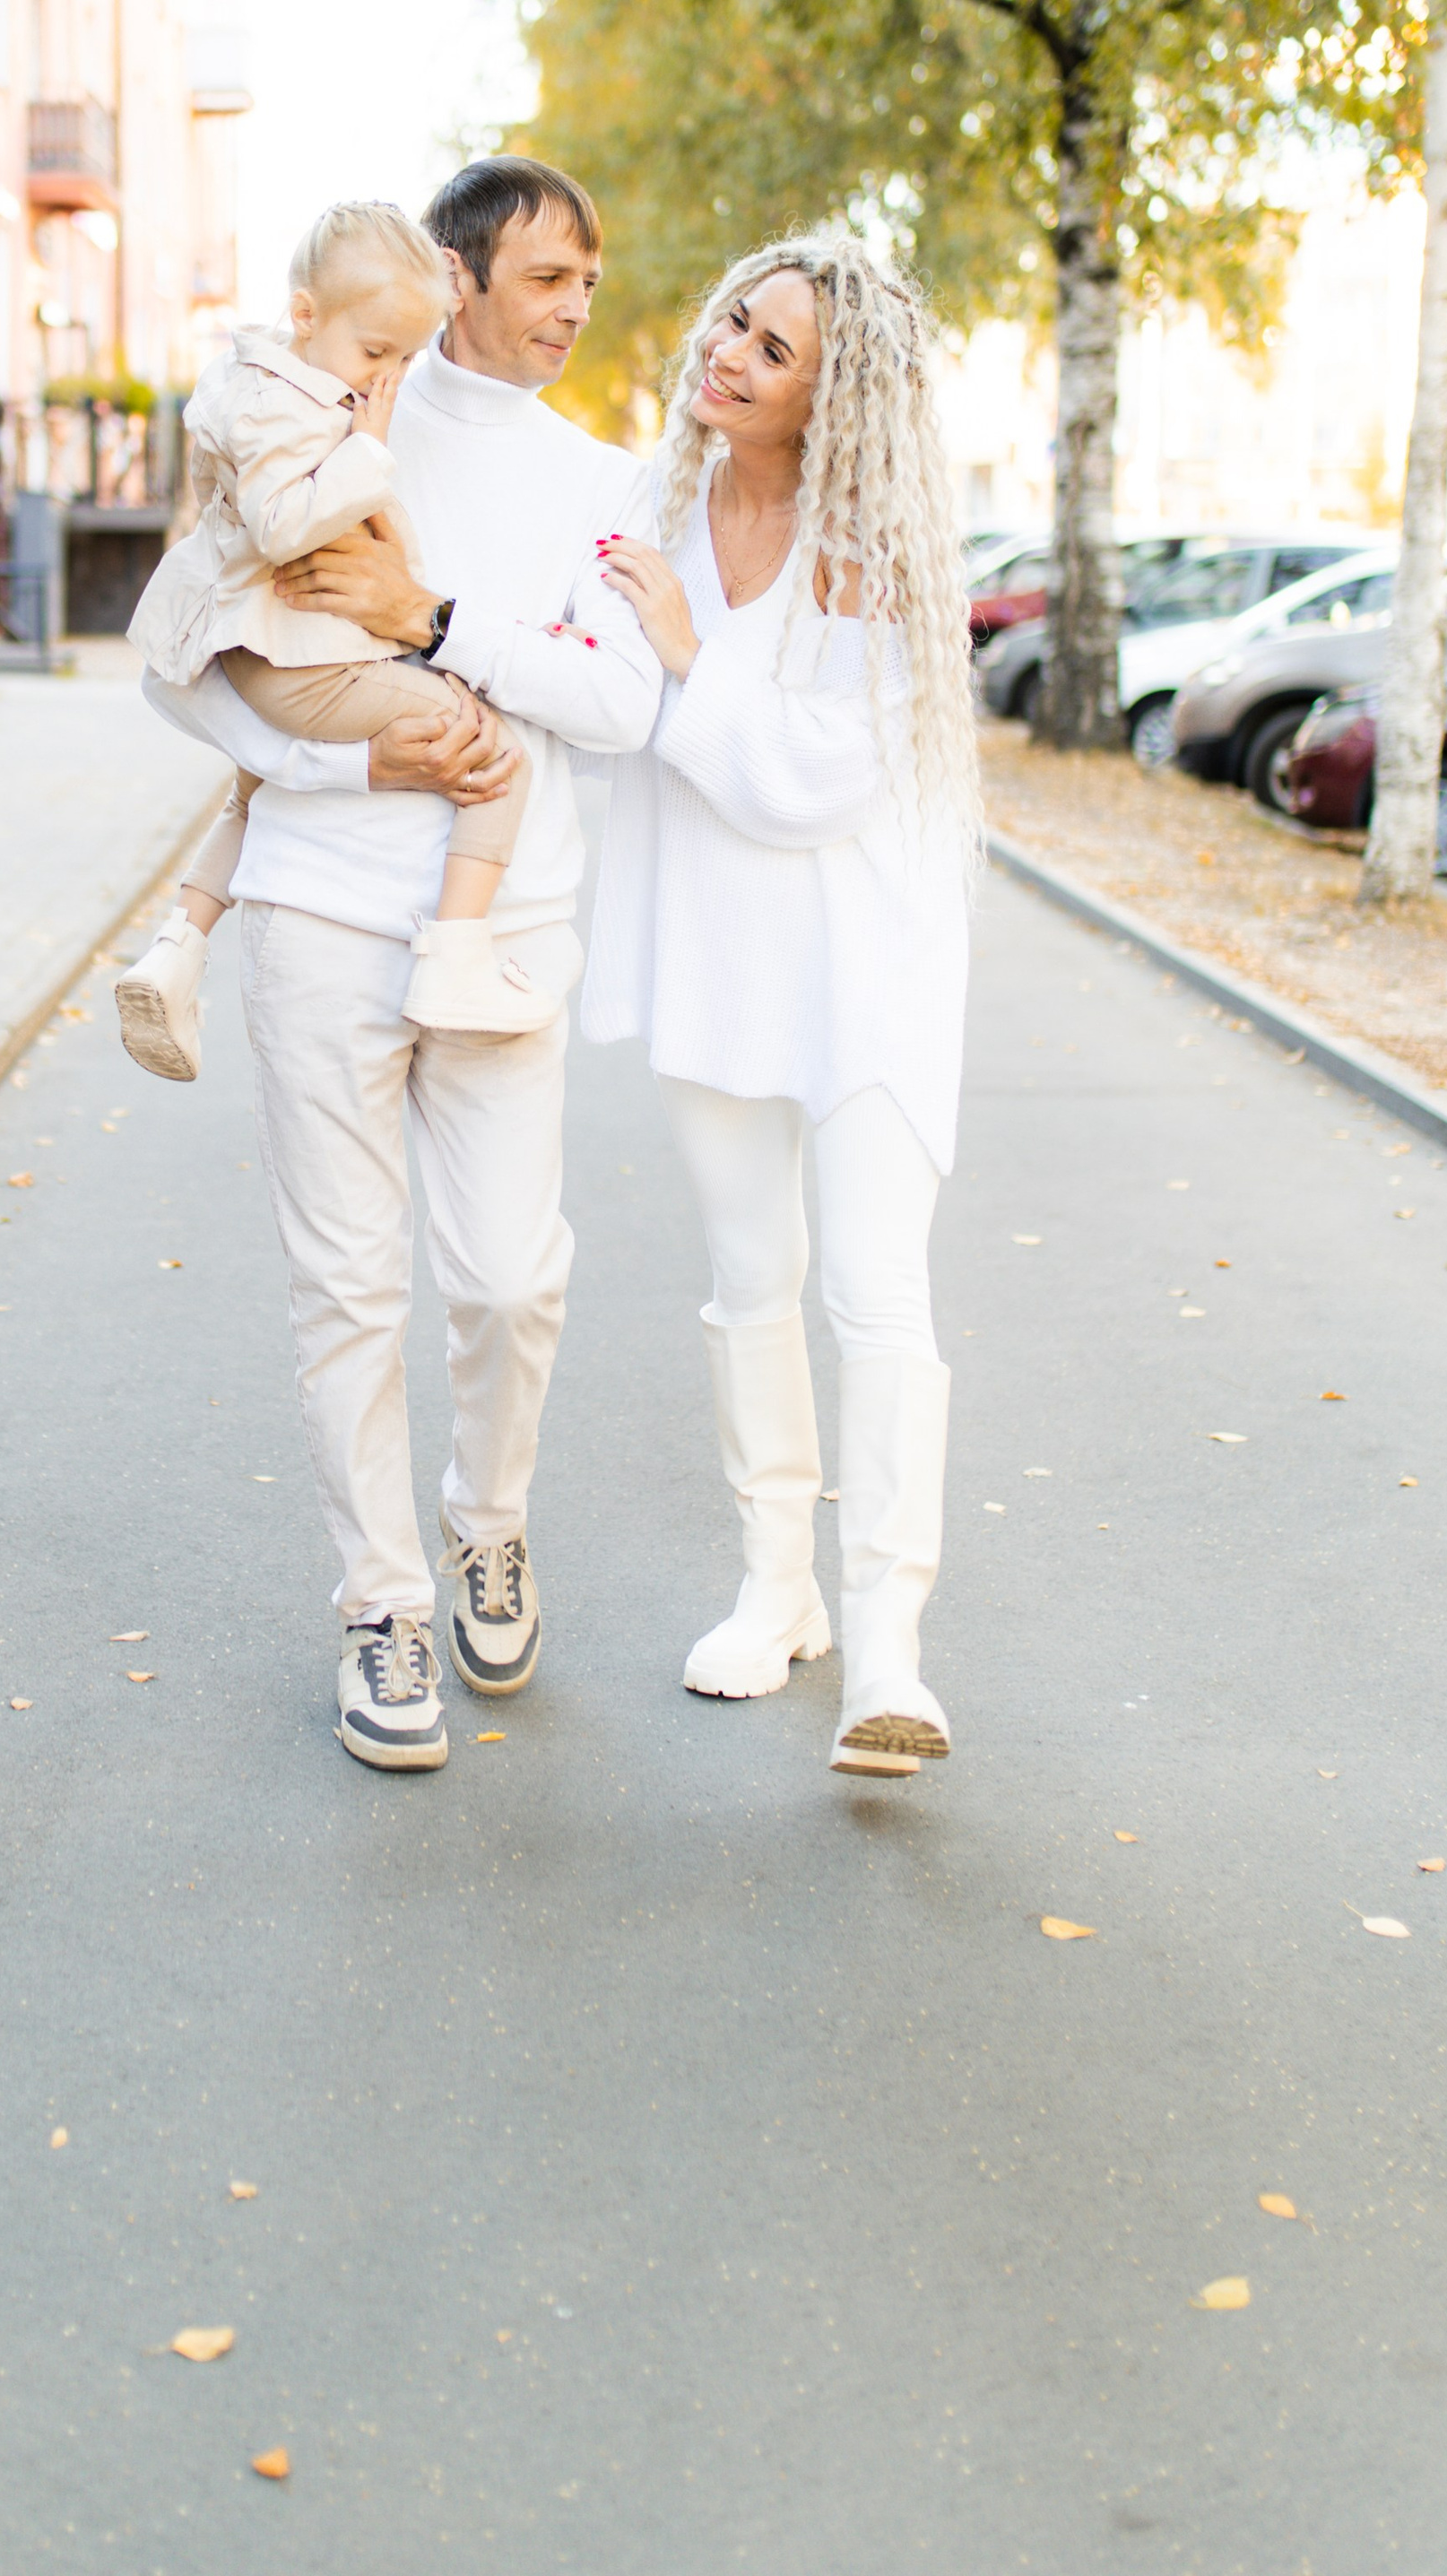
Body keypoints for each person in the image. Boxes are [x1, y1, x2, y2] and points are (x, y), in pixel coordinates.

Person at [141, 158, 659, 1772]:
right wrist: (357, 771)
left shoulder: (608, 480)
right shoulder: (320, 423)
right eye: (549, 276)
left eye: (590, 279)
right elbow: (195, 677)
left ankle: (485, 1517)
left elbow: (621, 705)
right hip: (316, 913)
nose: (576, 306)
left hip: (506, 929)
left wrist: (435, 622)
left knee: (513, 1278)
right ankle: (381, 1605)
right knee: (349, 1282)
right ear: (454, 277)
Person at [587, 230, 978, 1779]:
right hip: (716, 952)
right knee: (750, 1271)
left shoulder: (878, 547)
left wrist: (687, 662)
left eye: (773, 351)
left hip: (868, 961)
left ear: (834, 399)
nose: (727, 356)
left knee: (877, 1287)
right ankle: (778, 1587)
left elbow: (815, 781)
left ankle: (891, 1639)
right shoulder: (653, 507)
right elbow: (599, 701)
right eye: (733, 323)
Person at [117, 201, 552, 1061]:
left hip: (266, 649)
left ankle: (178, 944)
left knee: (252, 789)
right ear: (306, 313)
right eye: (375, 353)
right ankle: (458, 957)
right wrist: (370, 448)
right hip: (303, 658)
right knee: (496, 756)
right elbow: (283, 525)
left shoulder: (254, 379)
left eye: (402, 358)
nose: (383, 378)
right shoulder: (292, 409)